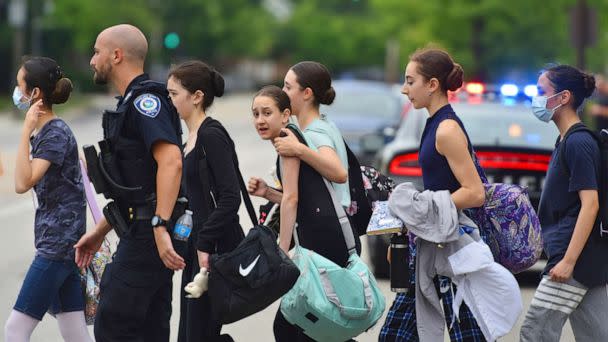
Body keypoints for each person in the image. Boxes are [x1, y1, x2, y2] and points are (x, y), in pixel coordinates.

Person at [73, 24, 184, 342]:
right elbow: (137, 189)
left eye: (96, 52)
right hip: (145, 231)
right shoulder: (131, 103)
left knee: (113, 322)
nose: (93, 60)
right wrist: (97, 233)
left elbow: (172, 162)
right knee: (149, 328)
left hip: (150, 234)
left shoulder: (144, 103)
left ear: (116, 55)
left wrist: (160, 225)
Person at [379, 48, 488, 342]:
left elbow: (475, 192)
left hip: (453, 249)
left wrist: (424, 205)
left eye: (410, 81)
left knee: (467, 336)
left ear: (432, 85)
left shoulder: (446, 129)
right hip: (433, 245)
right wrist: (410, 232)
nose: (404, 89)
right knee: (397, 335)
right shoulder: (434, 123)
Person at [3, 57, 93, 342]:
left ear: (35, 93)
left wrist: (25, 130)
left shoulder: (53, 133)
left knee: (15, 329)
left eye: (20, 85)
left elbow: (22, 182)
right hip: (64, 246)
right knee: (75, 332)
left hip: (57, 247)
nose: (16, 91)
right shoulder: (52, 132)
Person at [520, 65, 608, 341]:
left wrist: (568, 262)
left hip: (572, 261)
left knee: (535, 332)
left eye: (541, 91)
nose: (535, 98)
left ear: (564, 97)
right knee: (597, 335)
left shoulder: (578, 143)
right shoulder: (567, 140)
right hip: (584, 261)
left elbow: (590, 204)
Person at [167, 60, 243, 342]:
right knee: (190, 331)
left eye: (174, 94)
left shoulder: (211, 135)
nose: (170, 100)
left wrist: (204, 244)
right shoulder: (189, 137)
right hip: (196, 249)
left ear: (196, 96)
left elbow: (230, 197)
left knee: (198, 333)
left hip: (210, 251)